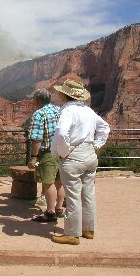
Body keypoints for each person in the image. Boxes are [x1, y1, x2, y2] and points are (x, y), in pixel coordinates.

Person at [50, 79, 110, 245]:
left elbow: (62, 133)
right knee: (88, 194)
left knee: (73, 196)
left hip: (73, 156)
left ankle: (71, 234)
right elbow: (105, 127)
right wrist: (96, 145)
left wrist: (64, 151)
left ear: (64, 95)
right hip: (90, 155)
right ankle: (88, 230)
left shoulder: (67, 111)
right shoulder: (88, 111)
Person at [27, 88, 65, 222]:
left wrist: (34, 157)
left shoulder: (39, 114)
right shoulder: (59, 110)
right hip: (62, 150)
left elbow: (37, 138)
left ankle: (50, 213)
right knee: (59, 182)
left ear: (37, 101)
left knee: (48, 183)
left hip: (48, 153)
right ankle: (59, 208)